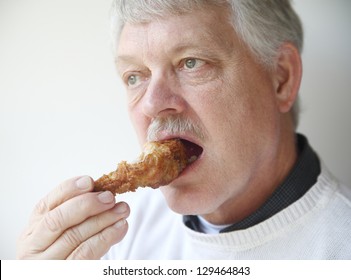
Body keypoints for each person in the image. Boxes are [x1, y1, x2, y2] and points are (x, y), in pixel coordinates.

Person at [17, 0, 351, 259]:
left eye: (191, 62)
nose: (151, 104)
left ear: (281, 78)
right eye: (135, 76)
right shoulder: (113, 237)